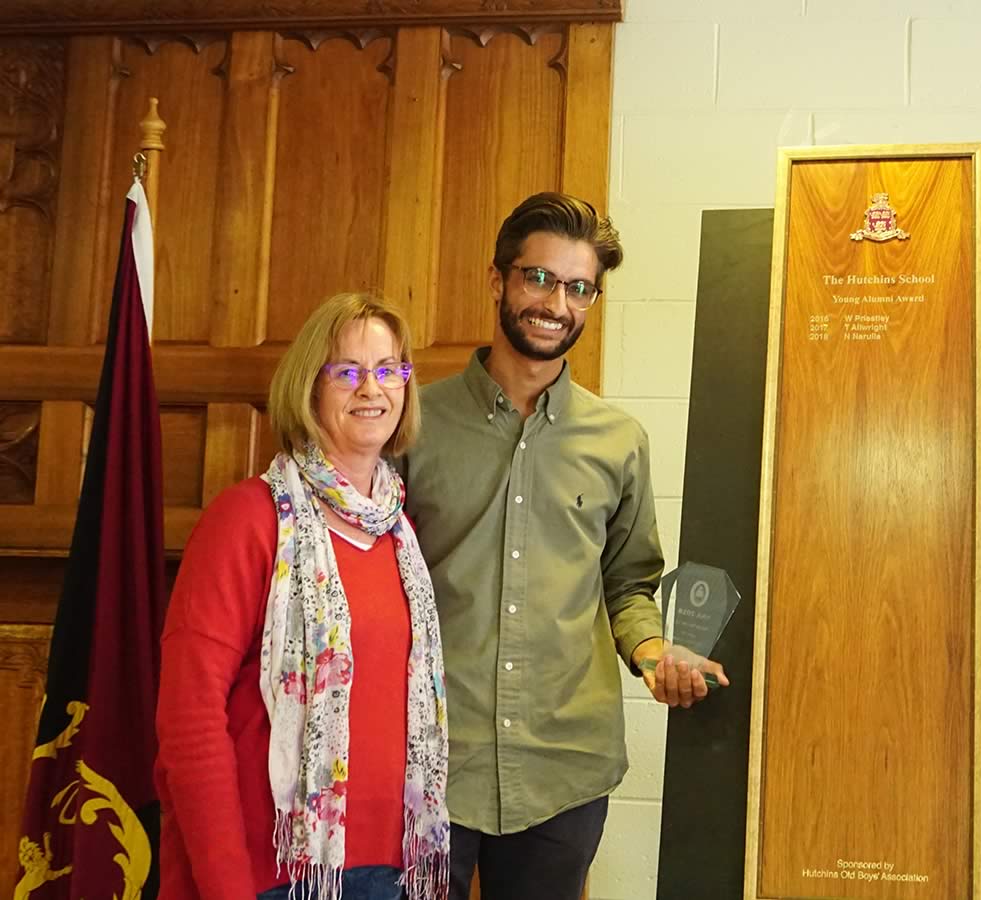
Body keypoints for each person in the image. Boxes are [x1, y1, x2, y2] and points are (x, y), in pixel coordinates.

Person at [399, 191, 728, 900]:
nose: (556, 302)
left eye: (579, 287)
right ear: (499, 280)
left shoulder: (619, 441)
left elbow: (628, 582)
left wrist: (650, 651)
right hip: (425, 759)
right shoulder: (412, 424)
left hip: (564, 764)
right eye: (539, 278)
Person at [155, 293, 450, 900]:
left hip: (395, 872)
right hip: (273, 878)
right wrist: (226, 884)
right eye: (348, 371)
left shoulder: (400, 531)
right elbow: (190, 721)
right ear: (309, 387)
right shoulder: (249, 520)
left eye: (390, 369)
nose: (373, 389)